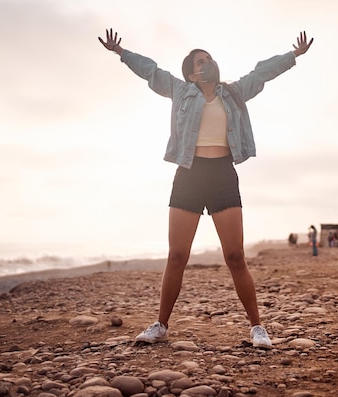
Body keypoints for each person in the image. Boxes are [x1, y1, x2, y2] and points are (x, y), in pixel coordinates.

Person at [98, 29, 313, 348]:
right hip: (189, 174)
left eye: (210, 59)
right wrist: (122, 52)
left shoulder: (234, 92)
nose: (208, 63)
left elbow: (262, 73)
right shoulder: (180, 90)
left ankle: (257, 327)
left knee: (236, 256)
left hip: (222, 174)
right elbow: (152, 72)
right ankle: (161, 324)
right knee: (177, 255)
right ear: (191, 72)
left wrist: (293, 55)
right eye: (201, 61)